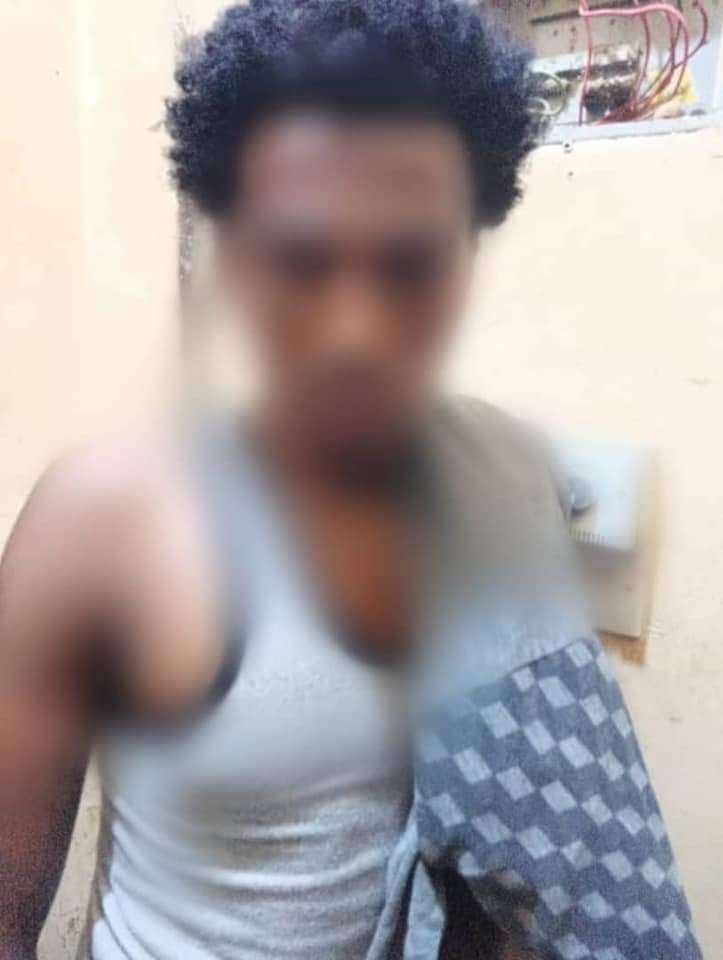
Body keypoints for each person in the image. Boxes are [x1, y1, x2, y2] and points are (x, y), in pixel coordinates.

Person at [0, 1, 702, 959]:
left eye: (409, 262)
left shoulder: (501, 483)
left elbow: (501, 856)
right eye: (303, 258)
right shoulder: (99, 523)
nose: (354, 328)